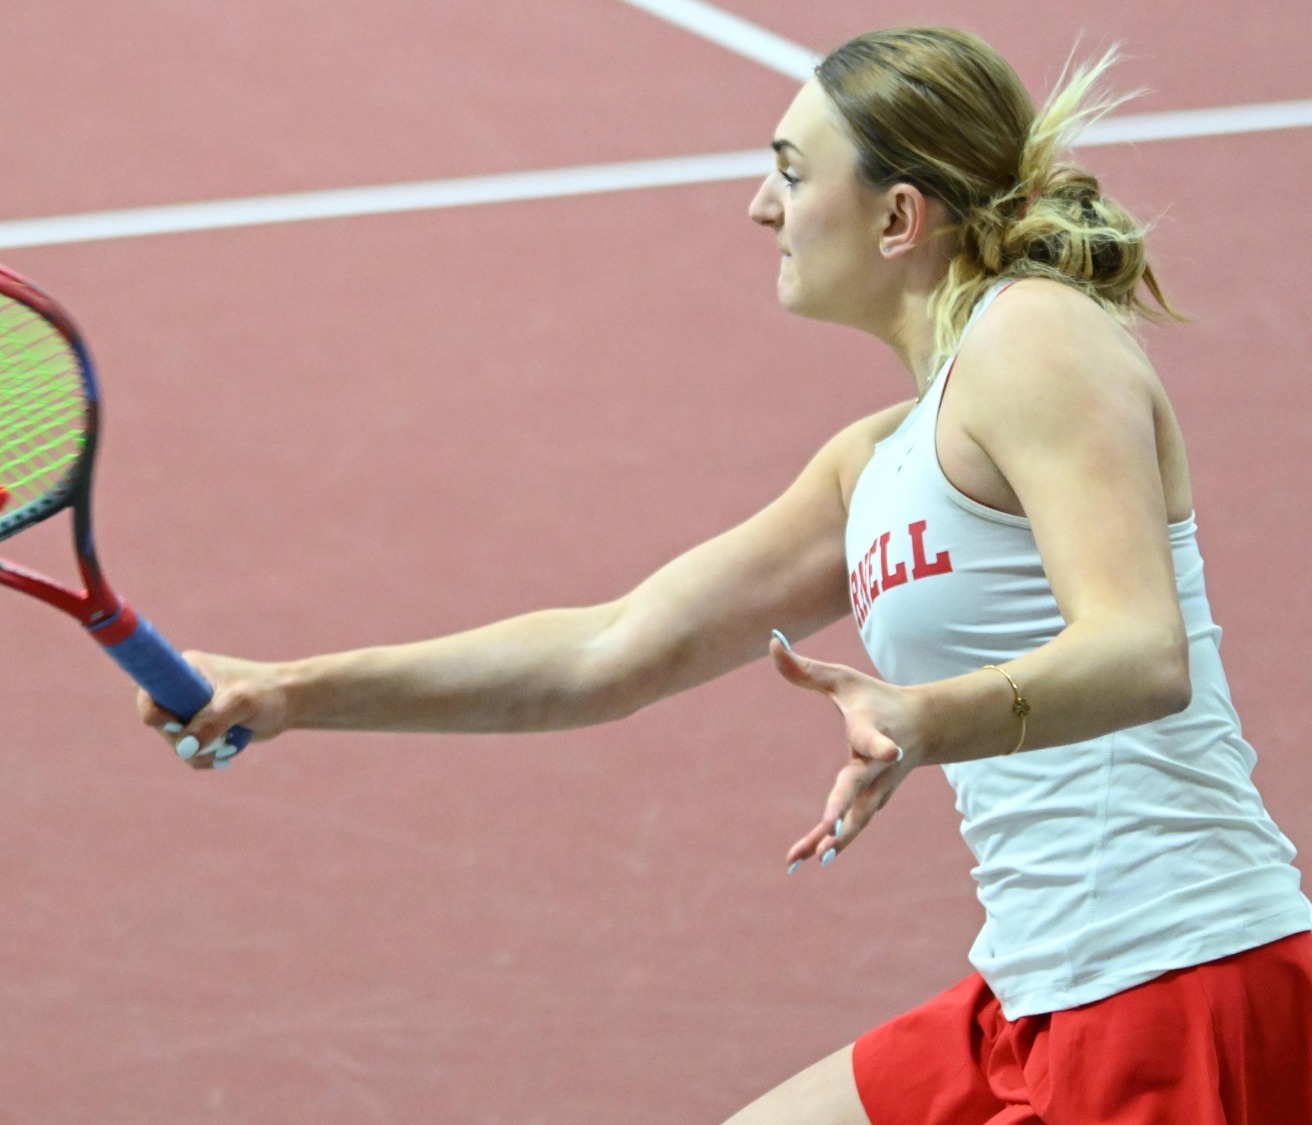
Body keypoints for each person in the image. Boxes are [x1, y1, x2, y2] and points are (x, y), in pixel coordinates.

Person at [140, 27, 1312, 1124]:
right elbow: (609, 651)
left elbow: (1139, 652)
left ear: (899, 215)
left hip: (1176, 976)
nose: (761, 206)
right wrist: (291, 689)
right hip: (1038, 983)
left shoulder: (1035, 336)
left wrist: (921, 716)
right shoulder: (872, 464)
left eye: (793, 173)